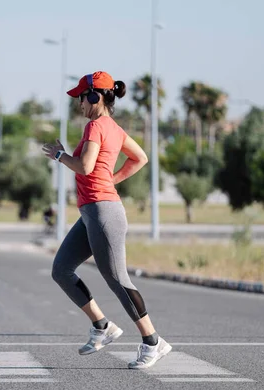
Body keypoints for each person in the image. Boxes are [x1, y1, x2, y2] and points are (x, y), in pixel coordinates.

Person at [42, 71, 171, 369]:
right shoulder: (112, 128)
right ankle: (102, 326)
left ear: (94, 97)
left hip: (103, 213)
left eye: (81, 99)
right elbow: (140, 158)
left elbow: (85, 167)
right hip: (92, 212)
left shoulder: (95, 127)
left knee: (117, 279)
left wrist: (61, 155)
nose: (79, 105)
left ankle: (153, 342)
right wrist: (112, 179)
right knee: (61, 269)